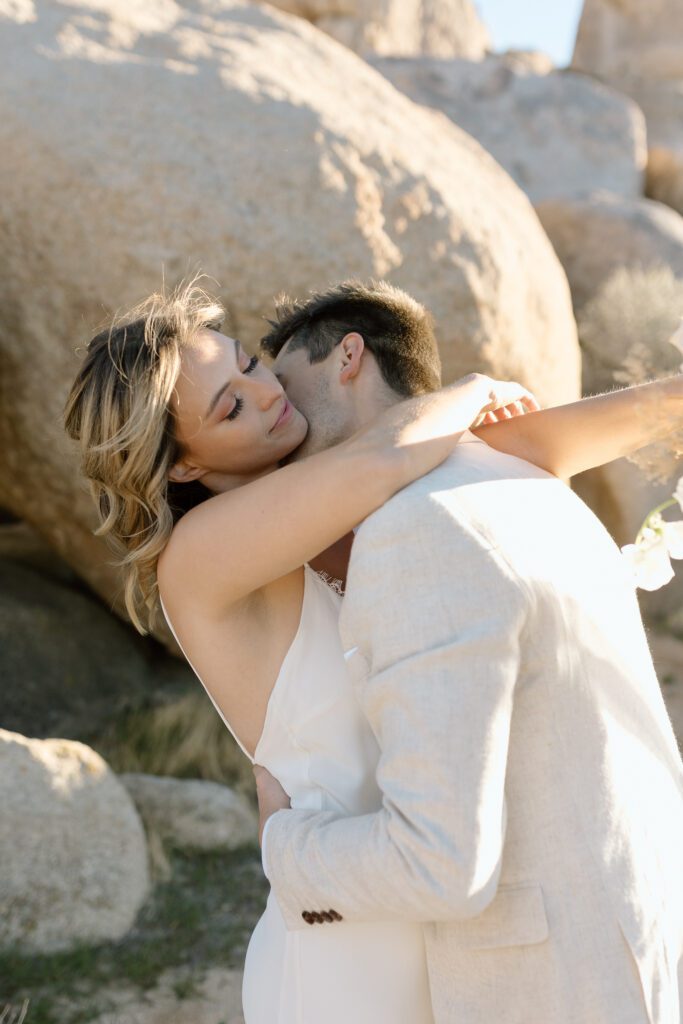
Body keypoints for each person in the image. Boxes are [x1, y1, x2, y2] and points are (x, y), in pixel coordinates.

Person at [62, 276, 682, 1024]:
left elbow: (515, 449)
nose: (264, 397)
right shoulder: (198, 557)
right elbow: (390, 452)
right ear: (184, 465)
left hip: (427, 900)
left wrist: (666, 404)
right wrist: (475, 388)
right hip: (346, 931)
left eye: (247, 366)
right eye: (228, 407)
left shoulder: (323, 505)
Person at [253, 282, 683, 1024]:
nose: (276, 412)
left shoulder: (413, 530)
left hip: (559, 984)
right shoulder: (527, 481)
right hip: (640, 922)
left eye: (284, 382)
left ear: (346, 357)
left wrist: (285, 849)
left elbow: (441, 864)